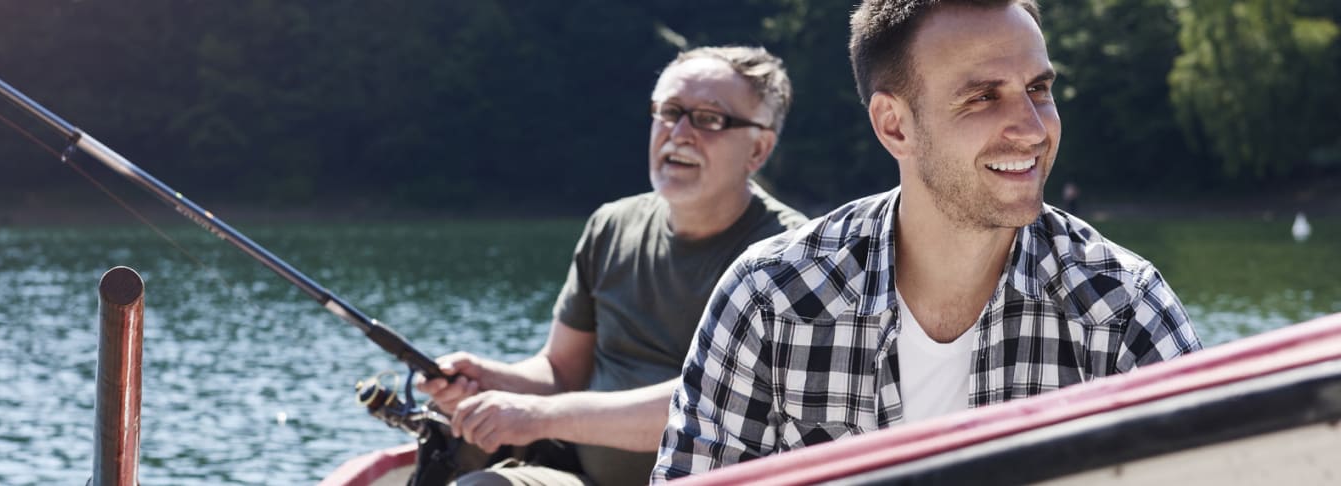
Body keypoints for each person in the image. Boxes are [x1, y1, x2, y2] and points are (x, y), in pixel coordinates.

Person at [653, 0, 1202, 479]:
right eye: (984, 97)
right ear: (895, 125)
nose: (1033, 128)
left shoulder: (1121, 305)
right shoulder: (771, 296)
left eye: (1038, 89)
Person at [416, 45, 809, 486]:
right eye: (669, 111)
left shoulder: (791, 257)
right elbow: (562, 371)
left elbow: (707, 405)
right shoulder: (611, 226)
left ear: (758, 149)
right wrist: (491, 379)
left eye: (709, 119)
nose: (679, 133)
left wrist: (540, 415)